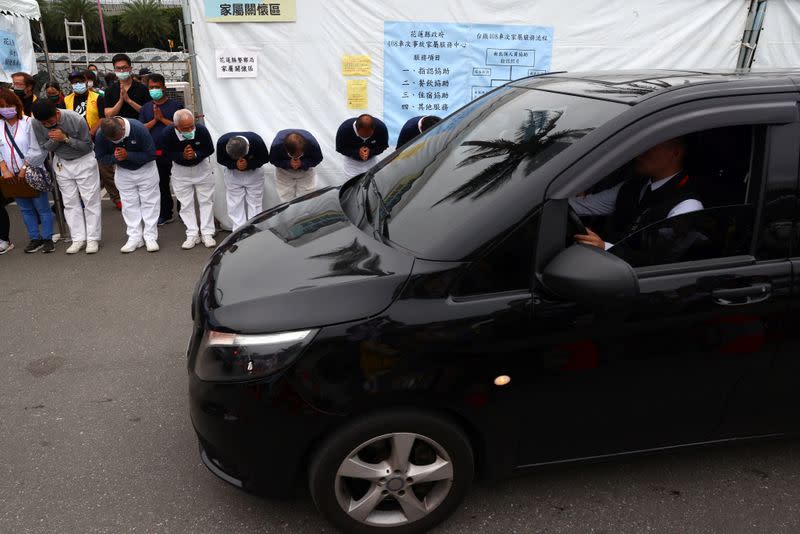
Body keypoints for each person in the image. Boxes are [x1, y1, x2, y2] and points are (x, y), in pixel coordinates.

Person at [569, 138, 703, 250]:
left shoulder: (687, 205)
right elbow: (583, 205)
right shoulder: (632, 186)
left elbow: (661, 259)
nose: (638, 155)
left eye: (648, 148)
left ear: (675, 153)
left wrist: (604, 247)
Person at [29, 99, 101, 254]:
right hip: (62, 162)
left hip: (84, 160)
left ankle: (93, 238)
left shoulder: (75, 119)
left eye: (50, 121)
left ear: (56, 112)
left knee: (90, 200)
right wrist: (57, 139)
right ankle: (78, 238)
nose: (47, 125)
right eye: (43, 123)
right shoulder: (36, 123)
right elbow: (44, 147)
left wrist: (66, 138)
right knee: (69, 202)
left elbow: (87, 146)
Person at [95, 117, 160, 253]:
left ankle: (150, 237)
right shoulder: (101, 134)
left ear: (123, 128)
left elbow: (151, 154)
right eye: (112, 140)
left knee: (150, 203)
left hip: (146, 169)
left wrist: (128, 155)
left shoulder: (138, 128)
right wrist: (116, 158)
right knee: (129, 204)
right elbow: (100, 157)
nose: (116, 142)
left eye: (118, 138)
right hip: (123, 171)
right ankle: (134, 237)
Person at [0, 88, 53, 253]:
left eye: (9, 105)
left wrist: (25, 167)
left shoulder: (29, 122)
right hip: (10, 175)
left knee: (42, 207)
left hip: (32, 171)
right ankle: (34, 238)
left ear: (16, 105)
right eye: (2, 106)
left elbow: (38, 148)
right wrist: (4, 168)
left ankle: (48, 238)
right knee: (25, 209)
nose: (6, 109)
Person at [64, 70, 121, 211]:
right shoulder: (67, 99)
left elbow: (103, 117)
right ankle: (83, 199)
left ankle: (117, 198)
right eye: (74, 82)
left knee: (105, 170)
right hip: (76, 141)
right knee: (82, 172)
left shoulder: (97, 97)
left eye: (80, 81)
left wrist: (91, 132)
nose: (77, 84)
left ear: (86, 82)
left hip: (97, 137)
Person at [162, 109, 216, 249]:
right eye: (185, 128)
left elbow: (209, 149)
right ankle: (192, 233)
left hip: (202, 169)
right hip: (180, 172)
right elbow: (166, 154)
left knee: (206, 201)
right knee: (185, 204)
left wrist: (196, 154)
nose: (190, 129)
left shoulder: (201, 130)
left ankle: (207, 233)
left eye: (192, 126)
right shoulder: (167, 133)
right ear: (176, 126)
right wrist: (182, 156)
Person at [138, 73, 182, 225]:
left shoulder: (176, 106)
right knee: (161, 184)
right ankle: (165, 213)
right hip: (156, 152)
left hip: (175, 150)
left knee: (179, 183)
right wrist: (154, 120)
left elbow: (181, 126)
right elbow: (142, 128)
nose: (154, 90)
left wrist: (162, 119)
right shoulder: (145, 108)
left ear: (164, 87)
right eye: (151, 87)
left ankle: (183, 213)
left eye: (157, 87)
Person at [216, 131, 269, 231]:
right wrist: (235, 165)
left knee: (255, 203)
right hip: (233, 174)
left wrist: (248, 164)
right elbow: (221, 160)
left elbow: (265, 158)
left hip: (254, 173)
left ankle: (255, 230)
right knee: (235, 204)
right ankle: (238, 231)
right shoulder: (222, 142)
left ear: (248, 146)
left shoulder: (256, 140)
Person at [268, 129, 323, 204]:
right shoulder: (277, 145)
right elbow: (273, 160)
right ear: (286, 149)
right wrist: (288, 163)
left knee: (307, 199)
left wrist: (303, 163)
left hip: (305, 171)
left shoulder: (312, 144)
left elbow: (318, 159)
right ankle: (289, 214)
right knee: (286, 201)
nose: (296, 158)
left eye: (299, 155)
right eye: (292, 155)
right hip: (284, 172)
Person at [335, 114, 389, 179]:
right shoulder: (344, 129)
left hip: (371, 161)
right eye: (362, 135)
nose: (365, 139)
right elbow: (340, 148)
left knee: (371, 182)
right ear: (356, 128)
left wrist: (371, 152)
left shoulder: (381, 128)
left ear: (374, 128)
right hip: (352, 162)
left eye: (369, 135)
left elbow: (383, 145)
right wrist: (356, 153)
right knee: (351, 183)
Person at [104, 53, 151, 120]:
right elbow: (108, 115)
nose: (121, 71)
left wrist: (129, 100)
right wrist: (121, 101)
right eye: (118, 68)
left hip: (138, 126)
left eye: (124, 67)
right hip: (117, 128)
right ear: (114, 70)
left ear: (130, 68)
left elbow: (148, 112)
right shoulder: (109, 90)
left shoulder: (142, 88)